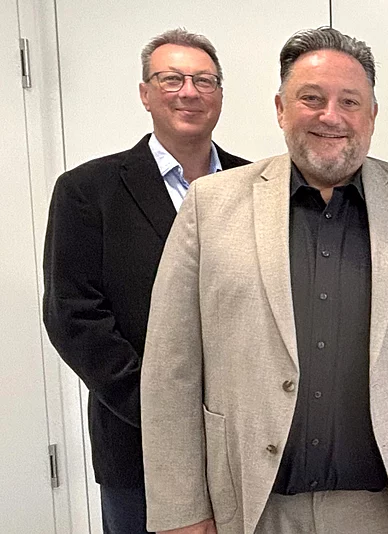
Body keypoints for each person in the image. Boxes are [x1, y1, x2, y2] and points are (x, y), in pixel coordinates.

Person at [139, 27, 388, 534]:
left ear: (372, 115)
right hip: (253, 506)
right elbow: (171, 369)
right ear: (281, 108)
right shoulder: (210, 205)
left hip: (387, 507)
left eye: (350, 101)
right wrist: (180, 507)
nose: (331, 116)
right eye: (312, 98)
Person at [42, 28, 249, 534]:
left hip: (246, 443)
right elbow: (74, 317)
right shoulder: (87, 190)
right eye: (171, 79)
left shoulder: (255, 186)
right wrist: (161, 412)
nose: (189, 92)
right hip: (136, 443)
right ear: (145, 93)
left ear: (220, 94)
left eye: (204, 80)